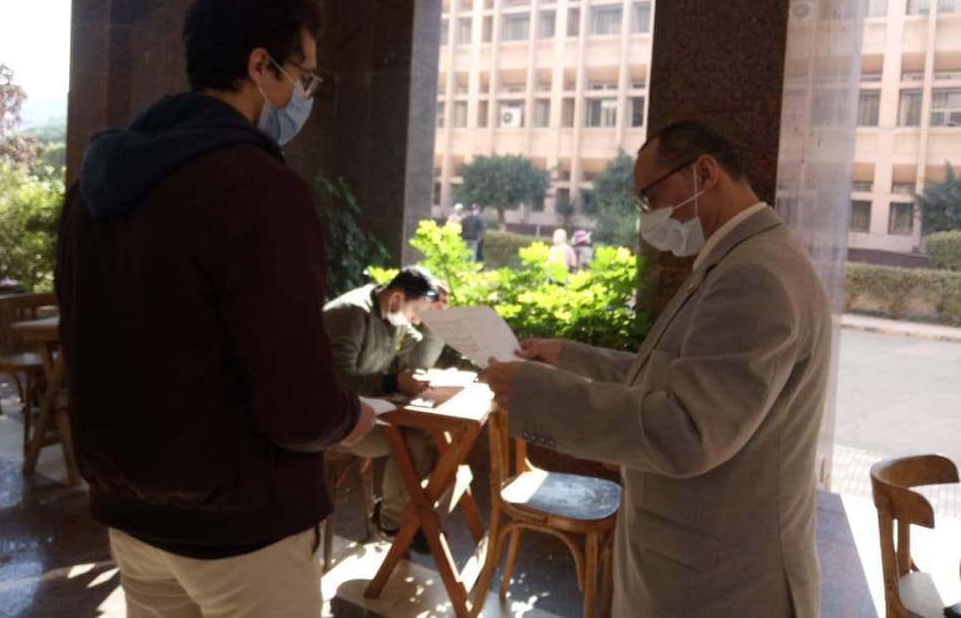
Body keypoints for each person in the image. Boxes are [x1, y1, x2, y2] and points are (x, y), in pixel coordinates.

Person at [56, 0, 375, 617]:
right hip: (242, 524)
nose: (305, 93)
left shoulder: (93, 188)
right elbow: (296, 404)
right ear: (262, 65)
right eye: (304, 74)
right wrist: (349, 418)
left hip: (128, 510)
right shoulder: (259, 188)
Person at [486, 121, 831, 617]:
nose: (648, 216)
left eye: (650, 197)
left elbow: (686, 429)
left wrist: (535, 394)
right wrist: (571, 357)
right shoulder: (740, 257)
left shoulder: (754, 274)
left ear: (704, 173)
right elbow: (680, 374)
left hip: (719, 586)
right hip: (702, 566)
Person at [323, 266, 447, 548]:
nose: (417, 321)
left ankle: (404, 515)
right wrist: (392, 381)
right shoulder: (351, 314)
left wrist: (438, 322)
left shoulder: (393, 315)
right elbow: (335, 380)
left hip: (364, 409)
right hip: (330, 418)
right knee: (411, 441)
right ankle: (394, 524)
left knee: (430, 438)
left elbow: (419, 360)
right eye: (417, 313)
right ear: (398, 298)